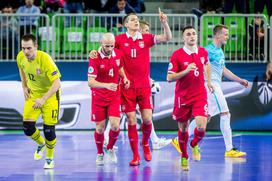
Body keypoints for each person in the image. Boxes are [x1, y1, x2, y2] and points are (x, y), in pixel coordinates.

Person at [90, 11, 172, 166]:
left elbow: (167, 37)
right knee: (131, 119)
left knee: (147, 119)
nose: (136, 21)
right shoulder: (119, 40)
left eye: (137, 19)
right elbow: (106, 47)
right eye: (132, 20)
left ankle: (146, 144)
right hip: (127, 88)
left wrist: (164, 23)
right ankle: (135, 156)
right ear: (126, 24)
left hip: (144, 87)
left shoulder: (146, 39)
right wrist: (94, 52)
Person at [172, 25, 248, 158]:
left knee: (206, 118)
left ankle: (178, 141)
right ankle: (229, 149)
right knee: (225, 113)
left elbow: (224, 70)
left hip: (213, 85)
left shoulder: (219, 52)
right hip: (210, 86)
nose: (227, 37)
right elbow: (198, 66)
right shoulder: (207, 50)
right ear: (217, 35)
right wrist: (207, 82)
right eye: (225, 34)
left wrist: (239, 80)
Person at [167, 26, 212, 171]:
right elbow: (169, 78)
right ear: (183, 38)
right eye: (188, 34)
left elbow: (207, 64)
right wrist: (185, 71)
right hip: (183, 96)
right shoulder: (177, 55)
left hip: (199, 94)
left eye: (194, 34)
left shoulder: (203, 52)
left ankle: (194, 144)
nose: (192, 36)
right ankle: (184, 155)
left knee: (201, 126)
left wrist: (209, 81)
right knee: (183, 127)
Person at [16, 34, 61, 169]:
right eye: (23, 48)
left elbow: (57, 83)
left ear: (36, 47)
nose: (25, 52)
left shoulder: (45, 59)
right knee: (27, 128)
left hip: (50, 96)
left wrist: (43, 99)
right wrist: (24, 86)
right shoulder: (20, 57)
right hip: (33, 95)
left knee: (49, 130)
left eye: (29, 48)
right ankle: (41, 144)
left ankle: (49, 157)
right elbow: (21, 69)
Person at [88, 33, 130, 165]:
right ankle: (100, 153)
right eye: (107, 46)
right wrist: (107, 85)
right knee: (100, 129)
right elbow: (90, 82)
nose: (110, 48)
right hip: (99, 96)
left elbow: (120, 67)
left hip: (114, 96)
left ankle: (110, 148)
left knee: (115, 126)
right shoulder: (94, 57)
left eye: (112, 45)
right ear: (101, 43)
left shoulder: (118, 53)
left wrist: (125, 78)